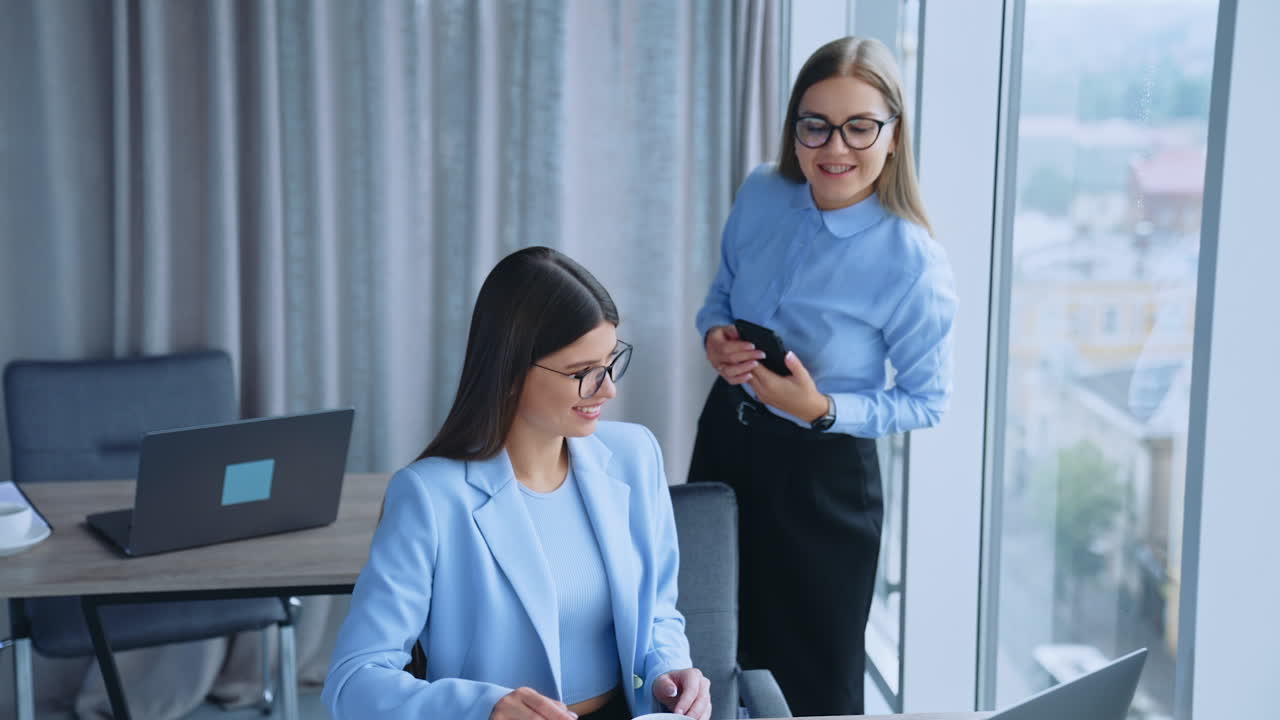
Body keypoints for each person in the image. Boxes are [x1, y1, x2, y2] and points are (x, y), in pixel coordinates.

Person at [323, 247, 711, 720]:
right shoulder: (430, 497)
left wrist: (669, 668)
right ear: (509, 373)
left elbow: (656, 612)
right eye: (581, 373)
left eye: (610, 362)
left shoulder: (634, 456)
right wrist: (485, 709)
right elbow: (354, 681)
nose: (608, 388)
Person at [688, 36, 957, 716]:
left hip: (823, 481)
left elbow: (926, 402)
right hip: (726, 441)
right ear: (795, 128)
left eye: (859, 126)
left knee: (812, 686)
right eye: (816, 125)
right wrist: (715, 338)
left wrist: (823, 409)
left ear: (893, 136)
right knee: (705, 653)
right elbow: (720, 294)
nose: (834, 148)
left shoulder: (912, 262)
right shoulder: (762, 190)